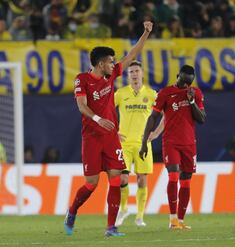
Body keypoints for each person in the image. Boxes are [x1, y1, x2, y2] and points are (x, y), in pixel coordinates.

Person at [64, 21, 153, 237]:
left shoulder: (110, 75)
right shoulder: (82, 79)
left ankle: (111, 227)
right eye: (111, 62)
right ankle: (72, 211)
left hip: (111, 137)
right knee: (92, 184)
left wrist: (146, 33)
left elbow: (131, 55)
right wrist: (97, 118)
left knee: (117, 179)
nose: (114, 65)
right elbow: (81, 105)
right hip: (92, 137)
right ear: (101, 63)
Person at [139, 65, 206, 229]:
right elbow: (153, 117)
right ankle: (173, 219)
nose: (185, 86)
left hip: (190, 144)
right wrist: (144, 143)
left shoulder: (195, 93)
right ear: (178, 76)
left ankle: (181, 221)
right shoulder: (165, 93)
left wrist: (191, 101)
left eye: (188, 83)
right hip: (171, 142)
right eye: (183, 82)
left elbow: (202, 119)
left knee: (186, 182)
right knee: (174, 176)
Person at [114, 60, 163, 227]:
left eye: (137, 71)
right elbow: (106, 110)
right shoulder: (120, 94)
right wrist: (113, 131)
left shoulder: (151, 94)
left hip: (143, 143)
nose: (134, 74)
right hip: (124, 143)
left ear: (142, 73)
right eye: (131, 72)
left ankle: (140, 216)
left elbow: (166, 113)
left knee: (142, 180)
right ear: (128, 76)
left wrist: (156, 133)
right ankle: (124, 209)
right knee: (122, 178)